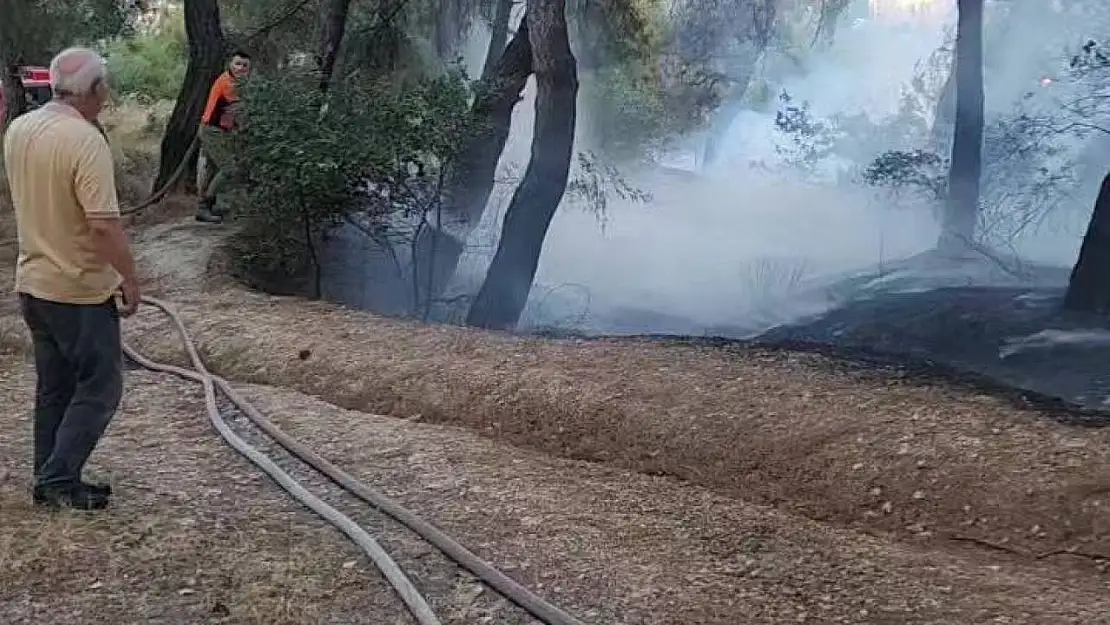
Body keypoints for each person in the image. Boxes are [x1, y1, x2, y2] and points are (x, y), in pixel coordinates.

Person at [1, 47, 140, 510]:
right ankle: (58, 479)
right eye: (106, 88)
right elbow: (103, 224)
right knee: (101, 386)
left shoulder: (19, 129)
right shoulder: (85, 140)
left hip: (33, 283)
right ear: (95, 90)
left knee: (55, 386)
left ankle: (49, 476)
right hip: (77, 290)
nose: (107, 96)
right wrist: (129, 276)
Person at [196, 50, 251, 224]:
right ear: (230, 64)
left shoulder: (236, 82)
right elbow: (240, 111)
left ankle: (208, 206)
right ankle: (205, 206)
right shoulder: (228, 83)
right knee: (228, 169)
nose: (241, 68)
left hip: (220, 131)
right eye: (238, 64)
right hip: (212, 131)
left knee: (213, 169)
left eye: (245, 65)